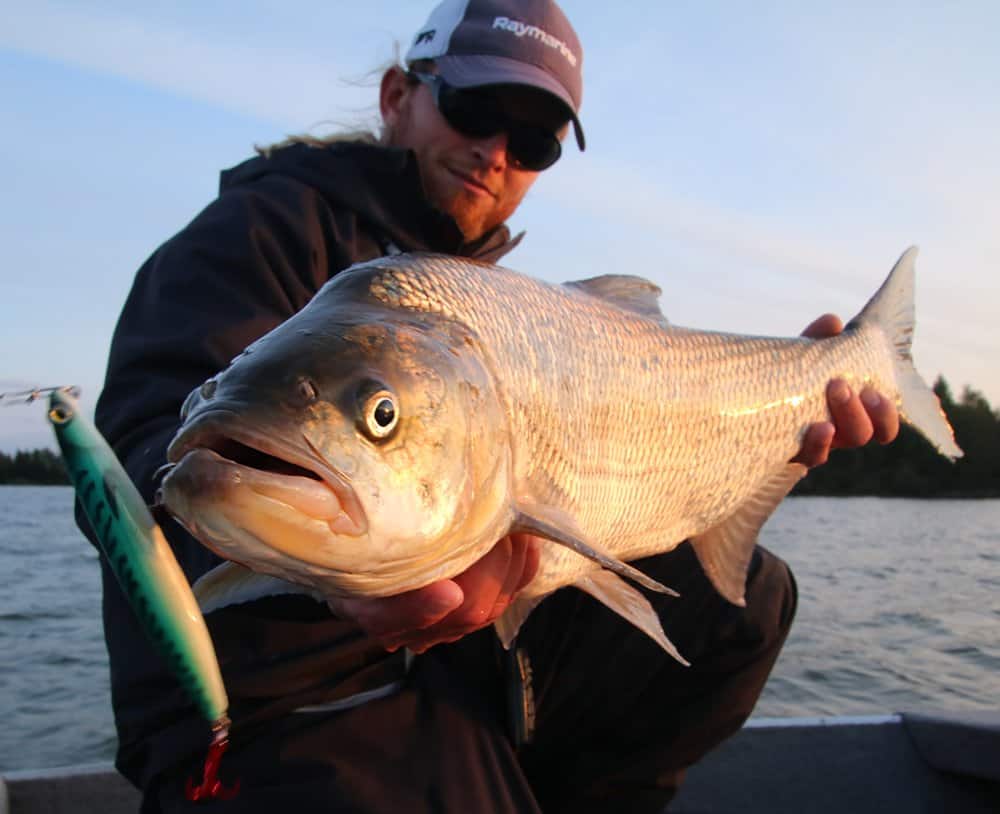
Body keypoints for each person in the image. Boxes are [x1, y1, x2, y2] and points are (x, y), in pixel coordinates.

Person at [88, 1, 899, 811]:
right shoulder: (258, 232)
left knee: (743, 606)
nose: (495, 151)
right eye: (475, 106)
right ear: (397, 95)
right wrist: (322, 579)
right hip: (270, 697)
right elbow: (154, 453)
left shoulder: (504, 301)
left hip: (453, 660)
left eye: (535, 140)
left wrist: (781, 416)